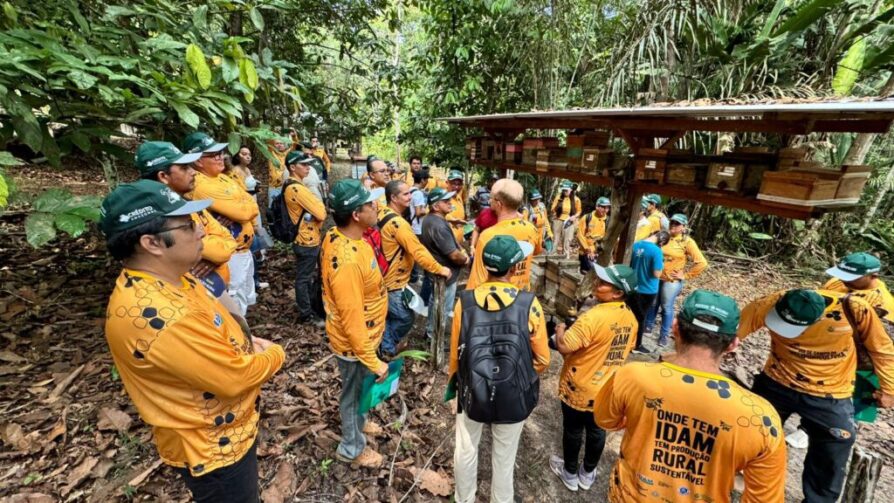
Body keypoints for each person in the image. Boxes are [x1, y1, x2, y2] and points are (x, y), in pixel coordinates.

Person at [101, 180, 285, 502]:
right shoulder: (159, 317)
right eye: (187, 226)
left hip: (230, 429)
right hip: (214, 447)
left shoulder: (172, 277)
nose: (201, 231)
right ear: (152, 243)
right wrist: (275, 354)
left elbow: (220, 317)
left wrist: (244, 338)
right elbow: (234, 377)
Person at [595, 290, 786, 503]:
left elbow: (605, 420)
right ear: (733, 344)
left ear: (675, 328)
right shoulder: (761, 419)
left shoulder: (631, 376)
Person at [738, 288, 894, 502]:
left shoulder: (855, 310)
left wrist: (889, 389)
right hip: (776, 381)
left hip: (831, 393)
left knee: (831, 452)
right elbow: (732, 333)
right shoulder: (769, 302)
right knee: (748, 433)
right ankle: (740, 480)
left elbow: (882, 349)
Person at [449, 235, 550, 503]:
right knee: (505, 458)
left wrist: (456, 389)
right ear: (515, 267)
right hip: (513, 395)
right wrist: (521, 378)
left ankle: (464, 498)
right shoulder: (529, 303)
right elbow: (543, 358)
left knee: (466, 449)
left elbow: (456, 353)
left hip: (472, 391)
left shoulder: (465, 301)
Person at [550, 264, 638, 492]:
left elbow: (564, 346)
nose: (598, 284)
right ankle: (587, 472)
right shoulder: (631, 319)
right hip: (607, 387)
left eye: (604, 283)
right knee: (598, 430)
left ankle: (569, 472)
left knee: (573, 430)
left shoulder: (593, 317)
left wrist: (560, 329)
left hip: (579, 388)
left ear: (618, 293)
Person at [321, 179, 389, 468]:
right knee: (352, 394)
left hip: (368, 335)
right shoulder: (346, 261)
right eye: (370, 204)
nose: (376, 207)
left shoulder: (351, 237)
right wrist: (374, 361)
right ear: (356, 215)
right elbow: (351, 320)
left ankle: (359, 424)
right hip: (354, 345)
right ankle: (351, 448)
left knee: (361, 389)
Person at [135, 141, 237, 300]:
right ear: (163, 176)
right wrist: (204, 253)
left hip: (217, 285)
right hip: (187, 295)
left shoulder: (190, 204)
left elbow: (229, 240)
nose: (194, 172)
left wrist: (209, 256)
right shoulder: (154, 219)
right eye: (184, 168)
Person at [185, 132, 260, 316]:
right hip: (229, 252)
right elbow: (243, 212)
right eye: (212, 155)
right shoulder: (202, 186)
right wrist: (242, 209)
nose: (219, 157)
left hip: (243, 249)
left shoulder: (223, 177)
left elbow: (252, 205)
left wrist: (243, 208)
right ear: (197, 161)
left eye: (220, 152)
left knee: (244, 292)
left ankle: (245, 326)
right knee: (233, 298)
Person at [378, 181, 451, 356]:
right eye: (405, 194)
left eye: (410, 193)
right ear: (393, 198)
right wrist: (439, 268)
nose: (410, 197)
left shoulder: (382, 213)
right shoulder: (398, 224)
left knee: (389, 315)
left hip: (383, 274)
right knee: (405, 317)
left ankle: (383, 343)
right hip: (392, 281)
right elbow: (417, 250)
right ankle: (386, 349)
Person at [467, 179, 543, 291]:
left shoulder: (489, 236)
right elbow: (536, 251)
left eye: (491, 198)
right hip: (521, 294)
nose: (489, 200)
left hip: (496, 297)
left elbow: (478, 279)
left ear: (498, 204)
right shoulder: (531, 229)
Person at [644, 213, 707, 347]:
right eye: (672, 222)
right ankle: (648, 326)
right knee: (653, 302)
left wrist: (685, 275)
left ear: (683, 227)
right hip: (657, 276)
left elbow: (702, 263)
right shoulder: (663, 236)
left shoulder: (687, 242)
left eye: (677, 224)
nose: (673, 225)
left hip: (671, 281)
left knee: (666, 306)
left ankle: (664, 335)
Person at [283, 151, 327, 327]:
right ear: (292, 167)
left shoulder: (295, 185)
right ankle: (306, 313)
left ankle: (310, 307)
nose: (308, 167)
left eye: (309, 164)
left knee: (307, 276)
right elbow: (321, 212)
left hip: (307, 236)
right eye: (304, 165)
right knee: (304, 278)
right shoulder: (297, 189)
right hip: (306, 239)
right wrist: (317, 207)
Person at [421, 187, 470, 341]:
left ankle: (430, 332)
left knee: (435, 303)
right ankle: (434, 338)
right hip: (445, 275)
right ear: (435, 206)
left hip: (437, 272)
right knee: (442, 308)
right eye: (445, 201)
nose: (450, 203)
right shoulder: (439, 226)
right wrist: (466, 260)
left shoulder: (432, 219)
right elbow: (454, 255)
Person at [823, 251, 894, 320]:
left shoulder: (882, 304)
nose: (843, 280)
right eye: (842, 275)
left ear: (873, 276)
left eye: (851, 277)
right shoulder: (836, 282)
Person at [630, 231, 670, 354]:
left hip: (633, 286)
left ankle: (627, 340)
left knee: (631, 314)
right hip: (647, 289)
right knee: (641, 318)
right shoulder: (657, 251)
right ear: (662, 242)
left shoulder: (635, 245)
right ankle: (637, 344)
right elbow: (656, 273)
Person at [576, 196, 611, 273]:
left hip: (599, 253)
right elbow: (580, 235)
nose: (605, 210)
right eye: (603, 207)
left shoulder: (608, 221)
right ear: (597, 206)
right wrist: (588, 251)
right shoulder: (587, 218)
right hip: (586, 252)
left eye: (607, 208)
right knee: (588, 272)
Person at [408, 169, 431, 285]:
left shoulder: (410, 190)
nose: (427, 182)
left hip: (412, 225)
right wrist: (428, 211)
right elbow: (418, 212)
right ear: (422, 180)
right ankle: (415, 277)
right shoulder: (418, 194)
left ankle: (414, 276)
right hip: (418, 227)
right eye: (427, 179)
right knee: (418, 252)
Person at [550, 180, 582, 257]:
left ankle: (565, 256)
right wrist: (556, 211)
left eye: (566, 190)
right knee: (556, 238)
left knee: (567, 240)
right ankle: (552, 254)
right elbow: (552, 209)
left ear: (571, 189)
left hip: (569, 221)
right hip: (558, 219)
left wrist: (574, 216)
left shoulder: (576, 199)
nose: (565, 191)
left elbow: (579, 211)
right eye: (563, 190)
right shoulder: (558, 197)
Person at [266, 137, 290, 208]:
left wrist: (294, 136)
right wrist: (273, 134)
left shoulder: (288, 154)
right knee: (273, 208)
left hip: (286, 187)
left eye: (281, 143)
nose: (279, 145)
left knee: (286, 208)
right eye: (277, 143)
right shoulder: (271, 153)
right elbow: (269, 142)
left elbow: (295, 146)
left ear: (284, 145)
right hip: (274, 187)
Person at [445, 170, 467, 243]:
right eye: (453, 184)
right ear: (447, 182)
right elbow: (433, 214)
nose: (456, 187)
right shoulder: (443, 198)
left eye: (459, 184)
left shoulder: (459, 198)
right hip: (448, 242)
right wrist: (451, 219)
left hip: (458, 241)